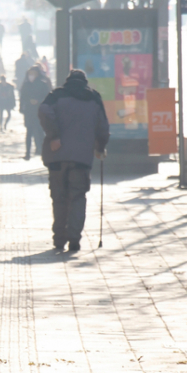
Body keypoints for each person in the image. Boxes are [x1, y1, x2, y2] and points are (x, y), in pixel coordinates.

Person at [38, 70, 110, 252]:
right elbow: (103, 127)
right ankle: (74, 238)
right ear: (85, 82)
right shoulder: (93, 98)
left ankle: (59, 239)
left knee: (59, 198)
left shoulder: (56, 95)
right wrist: (100, 148)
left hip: (57, 157)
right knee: (77, 197)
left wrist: (54, 135)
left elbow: (43, 110)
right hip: (81, 159)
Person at [19, 64, 52, 159]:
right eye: (30, 73)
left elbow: (47, 97)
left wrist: (38, 101)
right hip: (29, 112)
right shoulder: (26, 85)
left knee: (40, 131)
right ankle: (27, 153)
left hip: (39, 111)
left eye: (33, 73)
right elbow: (22, 98)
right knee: (29, 132)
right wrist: (22, 107)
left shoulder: (43, 84)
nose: (31, 75)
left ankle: (42, 151)